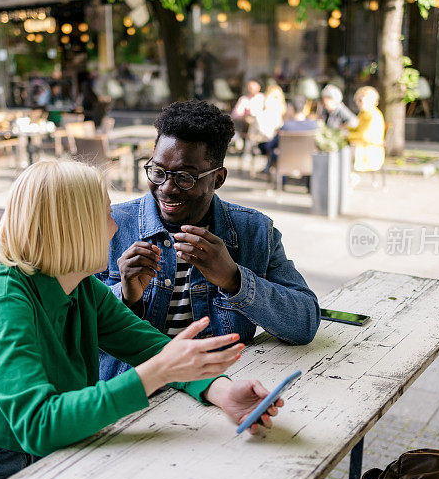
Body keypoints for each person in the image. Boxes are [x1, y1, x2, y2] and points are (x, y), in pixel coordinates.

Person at [0, 159, 284, 479]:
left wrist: (221, 391)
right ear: (73, 227)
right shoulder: (1, 301)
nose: (116, 227)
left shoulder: (81, 288)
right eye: (106, 215)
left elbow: (149, 346)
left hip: (40, 456)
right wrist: (158, 373)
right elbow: (40, 425)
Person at [98, 100, 321, 381]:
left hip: (221, 390)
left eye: (185, 177)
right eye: (158, 171)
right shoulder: (112, 226)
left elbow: (305, 322)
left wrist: (234, 279)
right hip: (132, 394)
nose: (167, 188)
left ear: (218, 178)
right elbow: (74, 328)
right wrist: (127, 297)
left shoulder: (254, 232)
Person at [347, 86, 386, 172]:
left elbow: (364, 136)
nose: (357, 103)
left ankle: (349, 177)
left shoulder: (373, 115)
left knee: (342, 152)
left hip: (370, 151)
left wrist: (346, 135)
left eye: (360, 100)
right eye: (356, 100)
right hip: (362, 147)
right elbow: (356, 127)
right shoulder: (364, 113)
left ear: (370, 100)